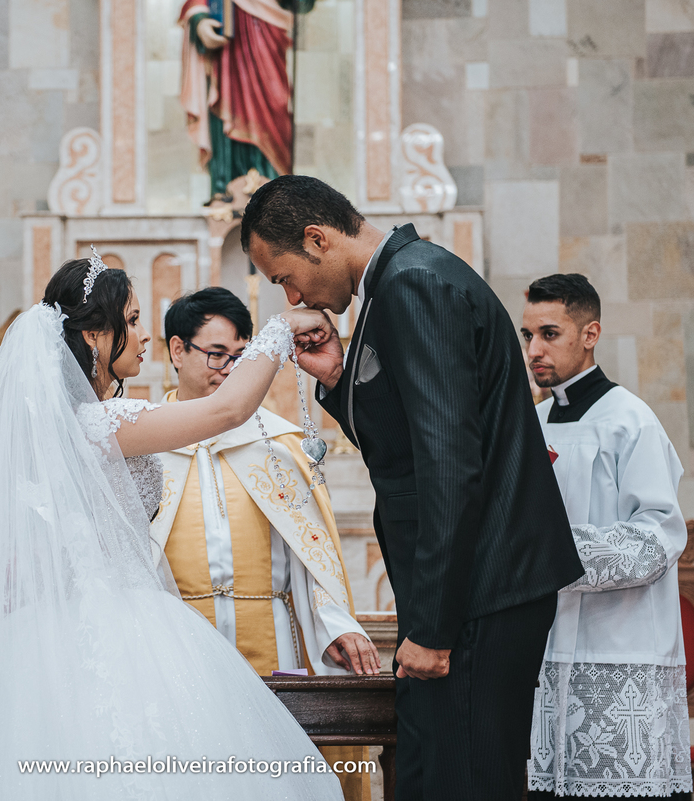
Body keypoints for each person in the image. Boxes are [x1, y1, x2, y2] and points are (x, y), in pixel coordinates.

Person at [0, 253, 346, 799]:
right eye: (134, 320)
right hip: (118, 626)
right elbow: (226, 412)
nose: (145, 336)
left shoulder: (66, 428)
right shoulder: (96, 425)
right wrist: (280, 330)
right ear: (95, 335)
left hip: (60, 627)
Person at [240, 174, 585, 800]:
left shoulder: (413, 284)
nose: (292, 295)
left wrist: (429, 629)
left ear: (317, 239)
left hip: (482, 587)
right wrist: (342, 378)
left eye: (284, 275)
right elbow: (410, 439)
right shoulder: (397, 283)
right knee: (434, 777)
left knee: (465, 780)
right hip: (472, 587)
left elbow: (449, 463)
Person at [155, 288, 378, 799]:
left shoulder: (275, 444)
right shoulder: (148, 445)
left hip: (273, 647)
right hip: (179, 652)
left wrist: (337, 625)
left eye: (241, 356)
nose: (230, 369)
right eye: (216, 354)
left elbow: (312, 554)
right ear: (176, 351)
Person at [521, 274, 692, 800]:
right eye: (527, 336)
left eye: (550, 333)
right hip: (543, 646)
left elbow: (657, 537)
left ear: (590, 333)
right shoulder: (533, 421)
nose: (534, 350)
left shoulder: (630, 422)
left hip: (618, 648)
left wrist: (545, 553)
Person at [178, 0, 312, 198]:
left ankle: (275, 189)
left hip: (269, 28)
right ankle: (226, 189)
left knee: (274, 105)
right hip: (226, 41)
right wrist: (200, 20)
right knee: (227, 104)